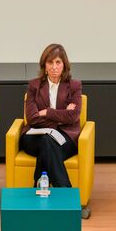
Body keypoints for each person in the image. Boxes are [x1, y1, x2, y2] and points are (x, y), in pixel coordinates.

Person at [21, 43, 82, 188]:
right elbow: (32, 118)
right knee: (46, 140)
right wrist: (61, 116)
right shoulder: (33, 86)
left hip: (66, 137)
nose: (54, 67)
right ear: (44, 65)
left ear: (64, 64)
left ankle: (39, 183)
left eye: (58, 62)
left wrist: (47, 112)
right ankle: (66, 195)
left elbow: (73, 116)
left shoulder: (74, 86)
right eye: (50, 62)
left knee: (47, 144)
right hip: (33, 137)